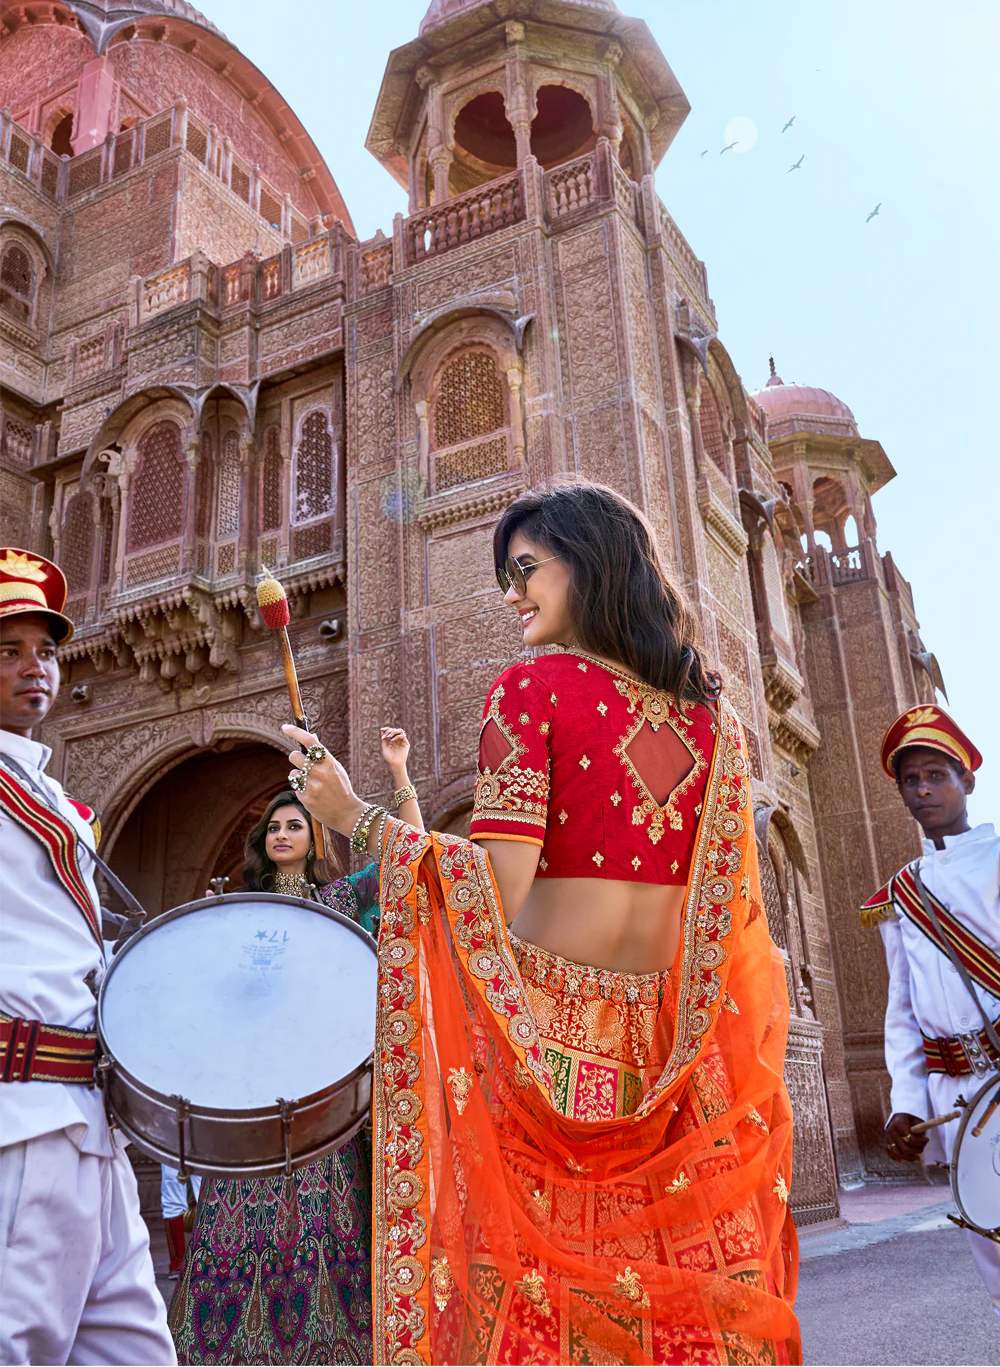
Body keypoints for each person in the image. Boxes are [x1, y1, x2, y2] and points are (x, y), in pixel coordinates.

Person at [285, 482, 801, 1365]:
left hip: (549, 1064)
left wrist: (357, 817)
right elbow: (726, 920)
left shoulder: (533, 688)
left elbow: (499, 888)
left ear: (590, 563)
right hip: (674, 1065)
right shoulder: (719, 726)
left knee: (549, 1321)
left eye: (527, 570)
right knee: (682, 1320)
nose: (514, 595)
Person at [168, 730, 422, 1365]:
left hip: (325, 1093)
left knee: (324, 1215)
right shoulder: (242, 915)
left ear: (315, 838)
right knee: (235, 1218)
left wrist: (398, 775)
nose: (282, 835)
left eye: (295, 825)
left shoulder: (340, 902)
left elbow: (413, 858)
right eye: (273, 828)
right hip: (255, 1093)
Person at [0, 547, 175, 1366]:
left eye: (46, 650)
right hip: (22, 1119)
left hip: (90, 1124)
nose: (35, 667)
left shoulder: (46, 793)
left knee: (135, 1352)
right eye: (8, 650)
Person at [861, 704, 1000, 1316]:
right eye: (910, 781)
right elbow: (903, 1010)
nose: (923, 790)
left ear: (967, 779)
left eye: (936, 775)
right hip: (954, 1100)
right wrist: (906, 1103)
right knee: (991, 1252)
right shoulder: (900, 893)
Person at [161, 1162, 202, 1279]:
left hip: (201, 1146)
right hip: (172, 1147)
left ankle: (212, 1259)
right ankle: (178, 1263)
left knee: (208, 1195)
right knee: (172, 1200)